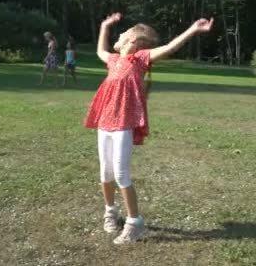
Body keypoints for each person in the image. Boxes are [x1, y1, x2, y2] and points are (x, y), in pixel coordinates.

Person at [84, 13, 214, 244]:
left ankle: (135, 223)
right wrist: (104, 26)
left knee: (121, 173)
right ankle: (110, 212)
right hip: (105, 122)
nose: (120, 33)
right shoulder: (114, 61)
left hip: (123, 123)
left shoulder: (140, 59)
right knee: (105, 172)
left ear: (132, 41)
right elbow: (100, 51)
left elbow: (168, 48)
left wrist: (193, 30)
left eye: (124, 32)